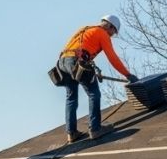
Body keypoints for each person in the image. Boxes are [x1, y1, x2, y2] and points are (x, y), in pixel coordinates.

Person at [58, 14, 138, 143]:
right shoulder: (102, 34)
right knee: (94, 93)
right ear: (110, 27)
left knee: (71, 97)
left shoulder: (85, 29)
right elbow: (112, 57)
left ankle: (71, 133)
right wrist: (128, 75)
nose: (112, 35)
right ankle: (95, 129)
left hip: (63, 62)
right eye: (114, 32)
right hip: (77, 61)